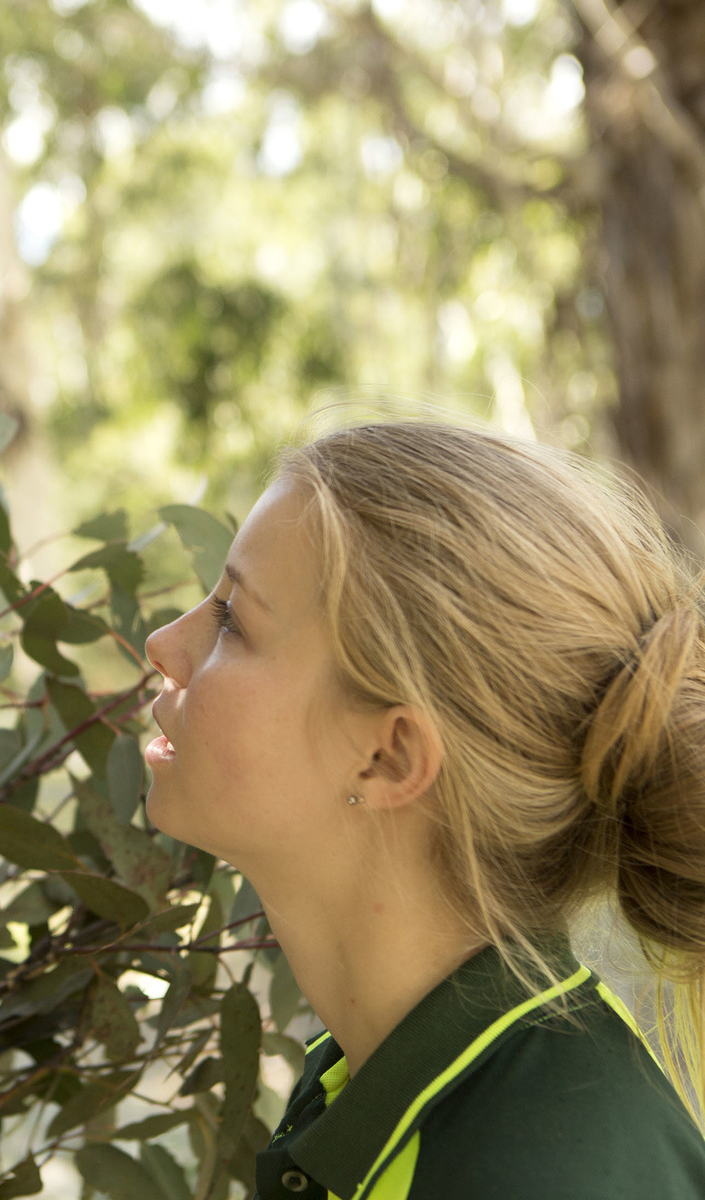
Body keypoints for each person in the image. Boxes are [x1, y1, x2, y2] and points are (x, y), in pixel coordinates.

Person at [142, 421, 705, 1199]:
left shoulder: (545, 1173)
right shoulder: (374, 1075)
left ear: (389, 758)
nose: (162, 643)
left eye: (233, 622)